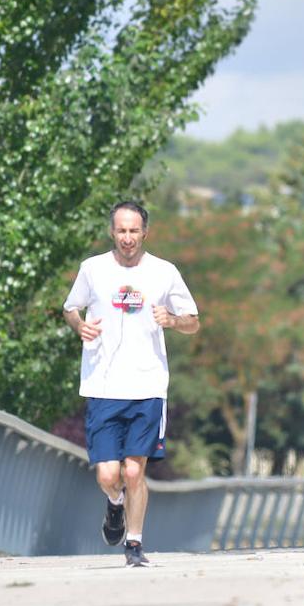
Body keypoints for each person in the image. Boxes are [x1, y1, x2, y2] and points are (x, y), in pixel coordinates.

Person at [63, 200, 200, 567]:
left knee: (135, 470)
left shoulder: (164, 272)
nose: (127, 238)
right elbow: (70, 308)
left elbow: (193, 321)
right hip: (103, 385)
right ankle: (114, 504)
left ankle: (135, 544)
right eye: (121, 230)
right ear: (112, 232)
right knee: (109, 474)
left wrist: (171, 320)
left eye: (134, 231)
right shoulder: (92, 269)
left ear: (145, 232)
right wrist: (80, 325)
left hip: (148, 385)